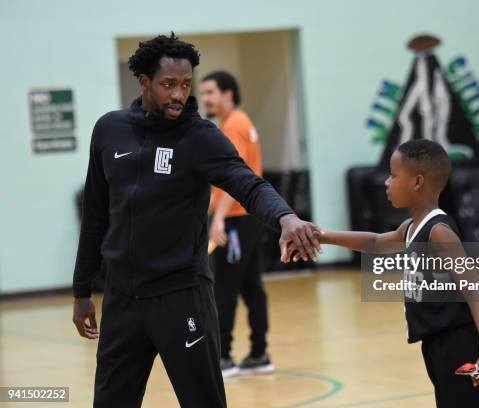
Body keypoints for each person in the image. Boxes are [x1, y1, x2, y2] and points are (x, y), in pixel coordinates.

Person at [71, 33, 320, 408]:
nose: (178, 94)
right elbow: (95, 215)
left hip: (181, 296)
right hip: (122, 298)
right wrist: (80, 291)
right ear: (144, 82)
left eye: (185, 85)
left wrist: (285, 216)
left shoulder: (200, 138)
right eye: (168, 84)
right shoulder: (109, 130)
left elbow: (249, 184)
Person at [291, 140, 479, 407]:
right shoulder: (412, 228)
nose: (386, 182)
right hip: (437, 347)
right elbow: (375, 242)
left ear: (417, 182)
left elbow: (474, 289)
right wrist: (322, 236)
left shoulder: (438, 232)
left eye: (393, 175)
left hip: (463, 345)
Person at [199, 71, 273, 377]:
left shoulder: (233, 126)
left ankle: (224, 357)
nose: (205, 99)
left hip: (236, 221)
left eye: (210, 92)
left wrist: (218, 218)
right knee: (251, 286)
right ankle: (259, 354)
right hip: (249, 220)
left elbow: (235, 176)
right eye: (202, 93)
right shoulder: (238, 122)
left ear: (228, 94)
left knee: (225, 289)